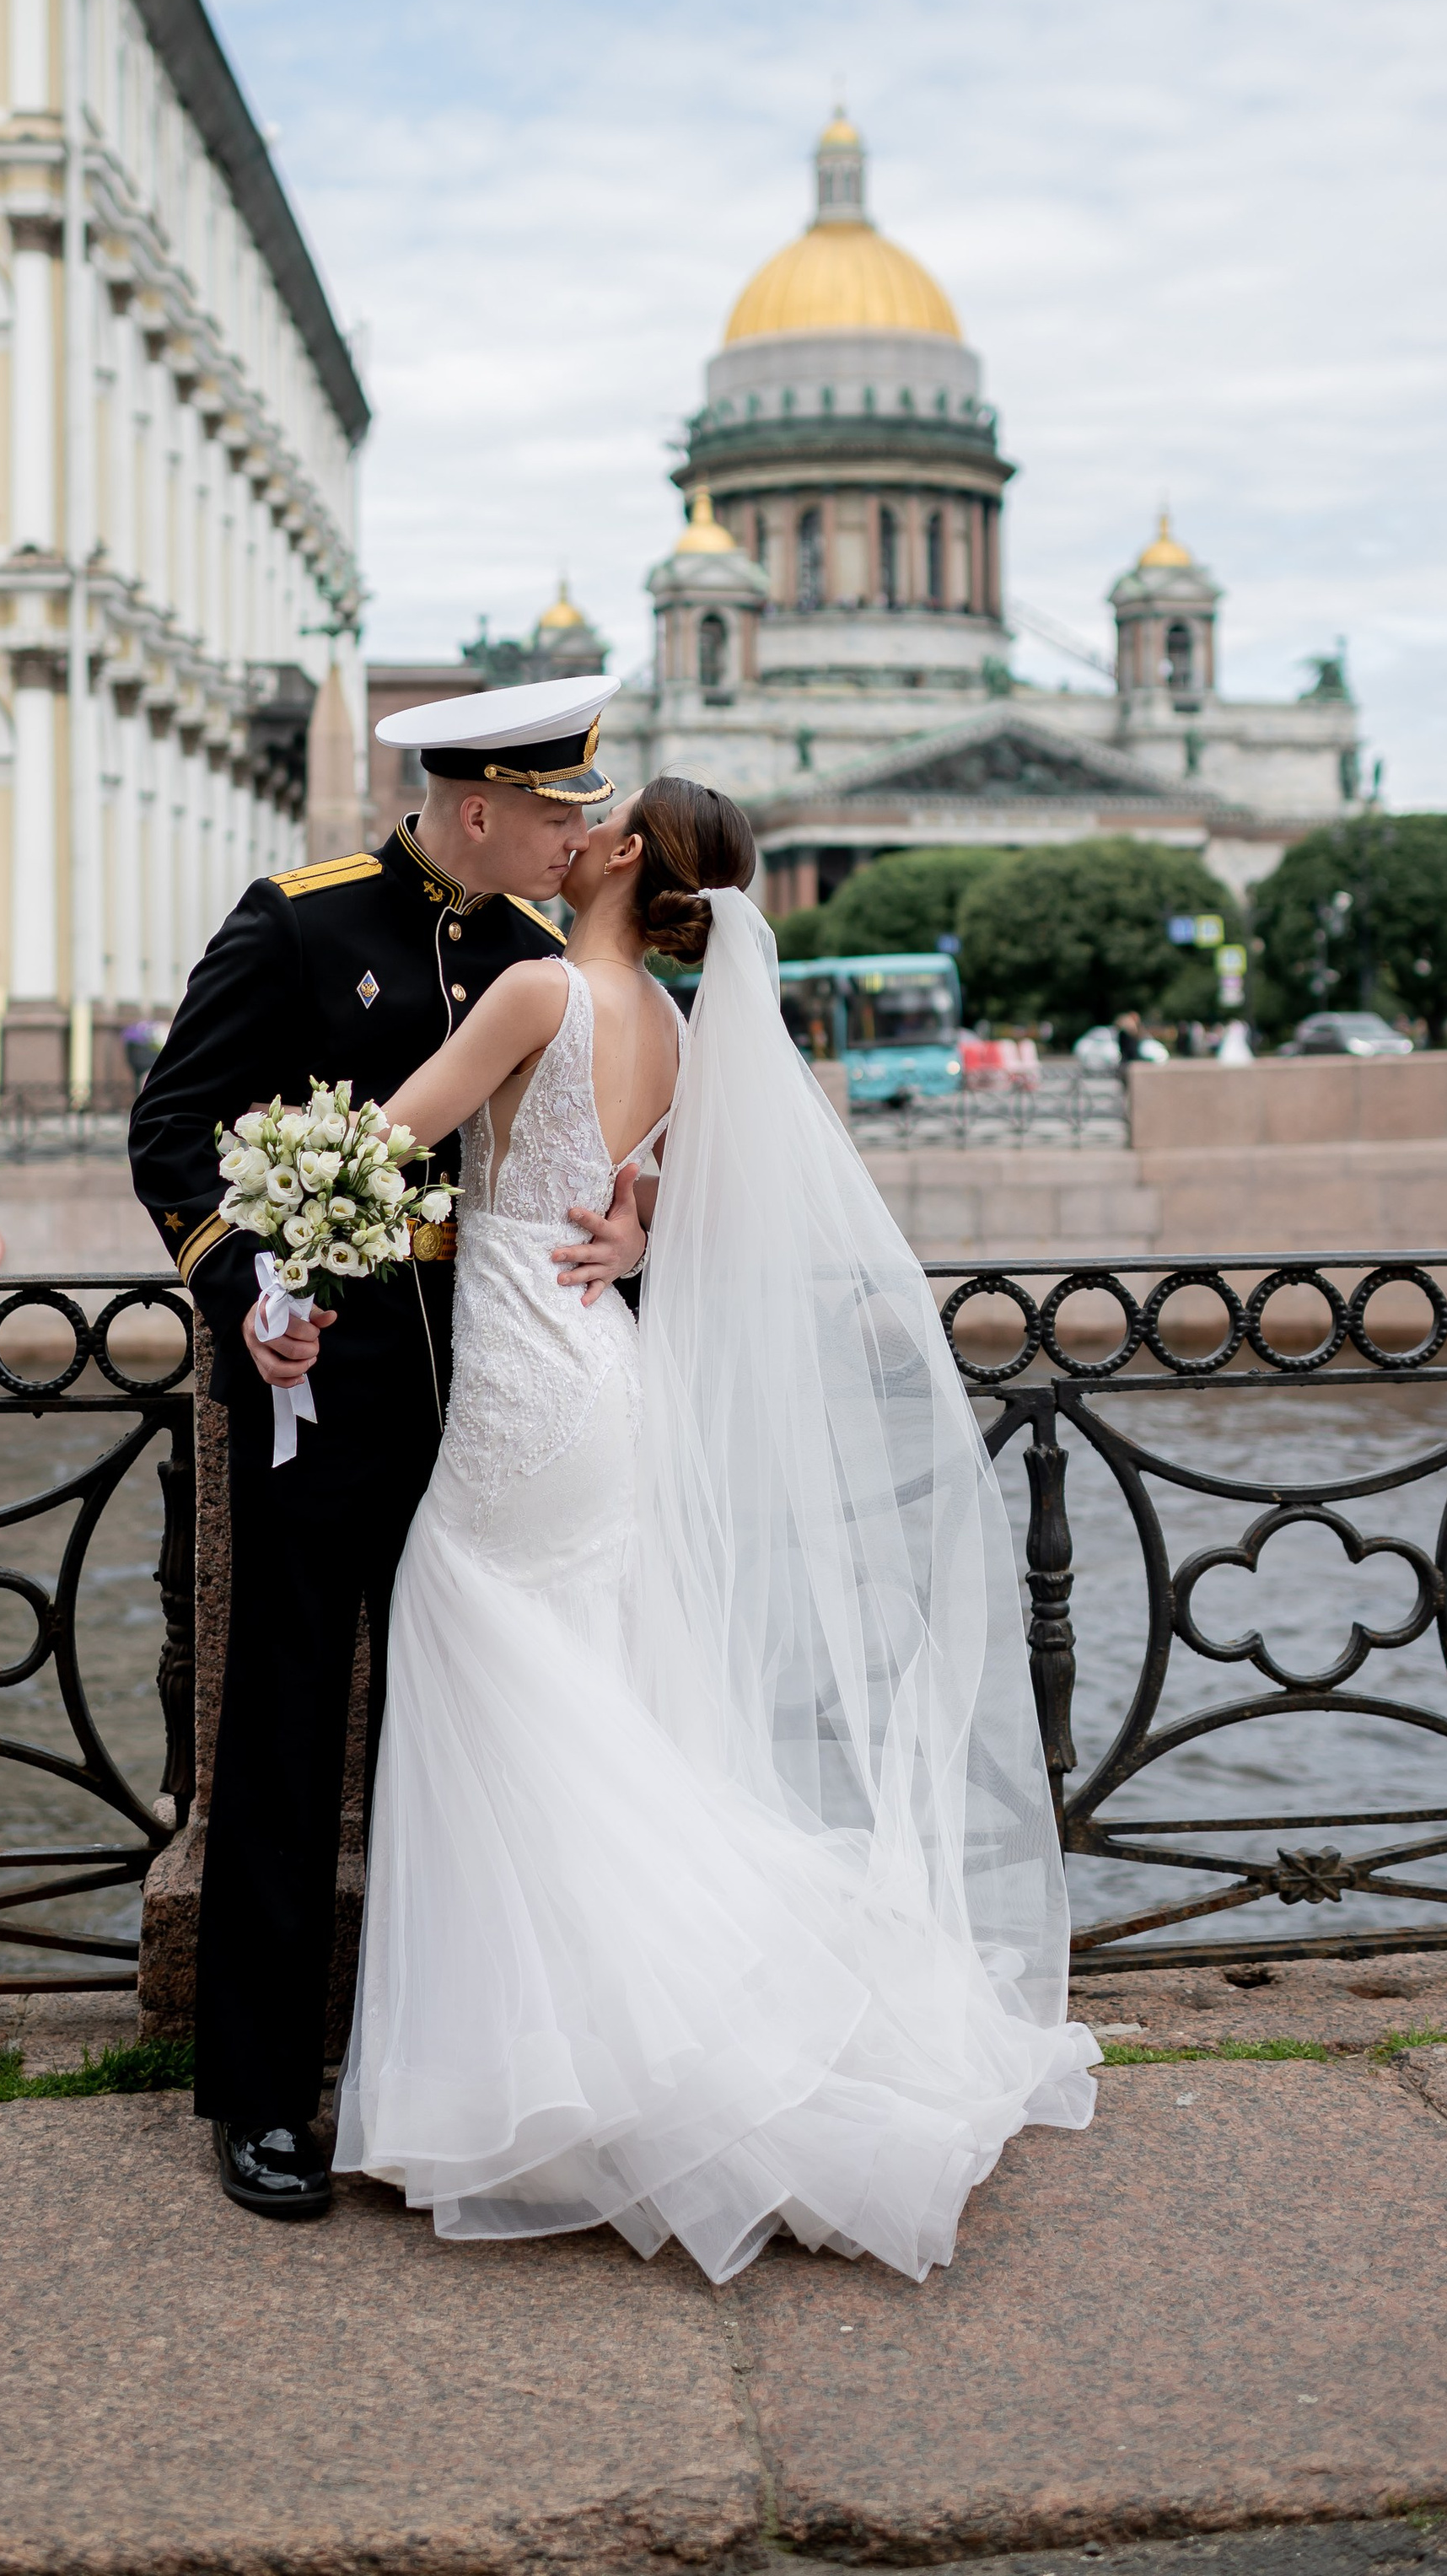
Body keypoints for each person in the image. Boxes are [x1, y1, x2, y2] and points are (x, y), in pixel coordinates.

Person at [317, 774, 1096, 2285]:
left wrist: (277, 1203)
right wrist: (640, 1230)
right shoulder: (673, 1028)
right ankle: (586, 2055)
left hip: (525, 1391)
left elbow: (384, 1142)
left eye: (595, 818)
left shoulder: (538, 991)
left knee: (489, 1663)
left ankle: (556, 2068)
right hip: (605, 1377)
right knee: (584, 1694)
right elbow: (674, 1201)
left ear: (620, 855)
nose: (571, 828)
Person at [126, 675, 648, 2220]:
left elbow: (591, 1159)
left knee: (486, 1725)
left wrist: (633, 1229)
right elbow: (176, 1129)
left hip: (495, 1388)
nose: (574, 839)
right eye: (555, 814)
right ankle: (263, 2096)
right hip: (326, 1376)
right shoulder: (300, 920)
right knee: (286, 1731)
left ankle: (470, 2070)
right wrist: (246, 1291)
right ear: (478, 806)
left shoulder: (546, 955)